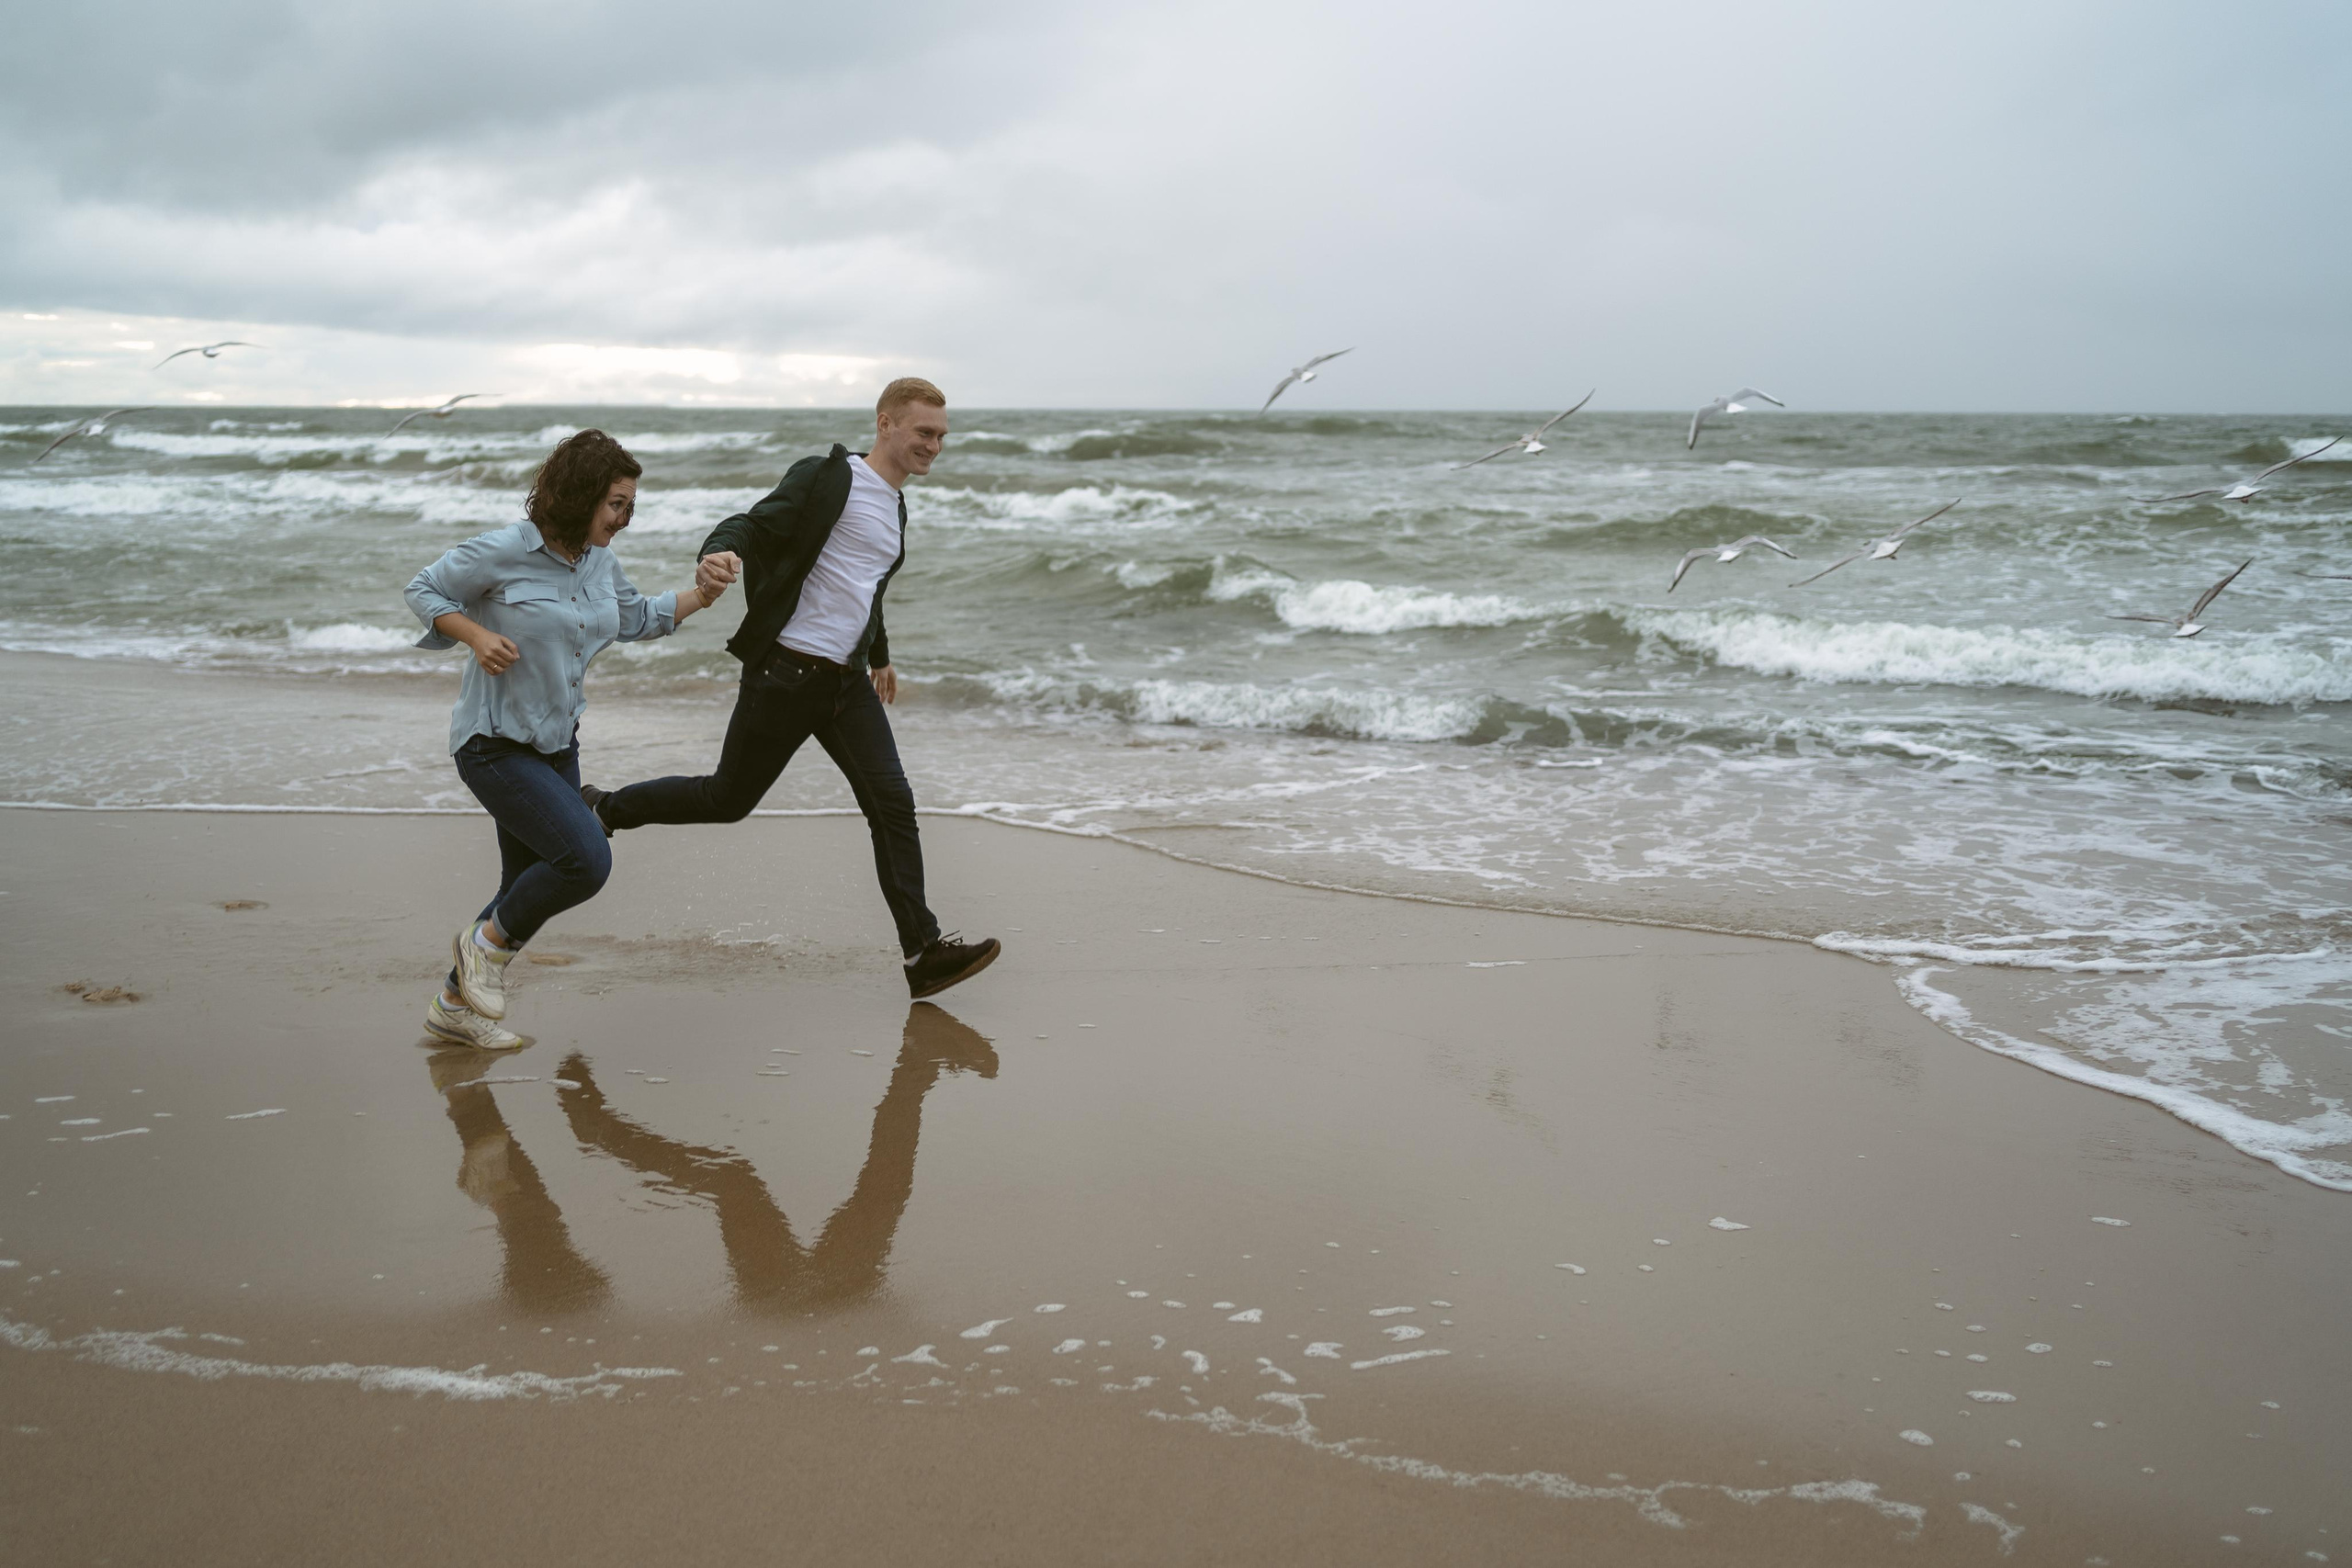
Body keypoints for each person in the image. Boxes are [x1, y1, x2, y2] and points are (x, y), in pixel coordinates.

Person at [581, 378, 1000, 999]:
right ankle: (605, 808)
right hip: (787, 673)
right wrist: (717, 554)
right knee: (728, 798)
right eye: (924, 432)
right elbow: (750, 524)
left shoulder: (896, 506)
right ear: (886, 423)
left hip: (845, 683)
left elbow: (864, 588)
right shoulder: (827, 478)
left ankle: (923, 952)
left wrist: (879, 656)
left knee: (893, 804)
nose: (934, 445)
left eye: (941, 435)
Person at [404, 428, 727, 1049]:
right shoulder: (504, 551)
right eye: (616, 503)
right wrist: (474, 636)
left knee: (521, 887)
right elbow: (425, 589)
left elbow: (636, 618)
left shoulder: (600, 561)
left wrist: (703, 594)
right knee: (585, 859)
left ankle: (453, 1004)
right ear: (579, 495)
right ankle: (479, 950)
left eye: (631, 504)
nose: (625, 518)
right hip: (493, 743)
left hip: (557, 746)